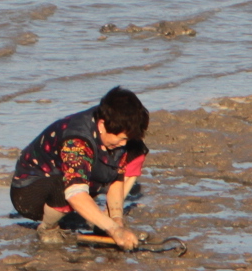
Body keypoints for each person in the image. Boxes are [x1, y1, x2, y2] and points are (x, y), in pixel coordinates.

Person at [10, 87, 151, 245]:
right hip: (31, 189)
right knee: (65, 185)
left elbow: (117, 175)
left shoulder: (113, 133)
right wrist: (114, 231)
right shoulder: (77, 142)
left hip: (76, 177)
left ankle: (107, 219)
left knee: (136, 151)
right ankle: (48, 227)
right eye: (122, 138)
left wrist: (116, 221)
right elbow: (75, 193)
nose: (124, 144)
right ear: (103, 125)